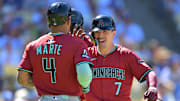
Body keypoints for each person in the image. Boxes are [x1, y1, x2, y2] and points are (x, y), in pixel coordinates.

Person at [17, 2, 93, 101]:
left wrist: (44, 84)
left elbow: (22, 79)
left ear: (48, 21)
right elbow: (84, 75)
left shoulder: (33, 46)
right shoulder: (78, 44)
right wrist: (85, 87)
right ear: (68, 20)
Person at [73, 15, 159, 101]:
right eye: (98, 32)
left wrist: (152, 87)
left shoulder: (125, 55)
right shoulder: (86, 54)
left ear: (113, 32)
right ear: (93, 34)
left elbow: (149, 73)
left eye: (105, 32)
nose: (101, 35)